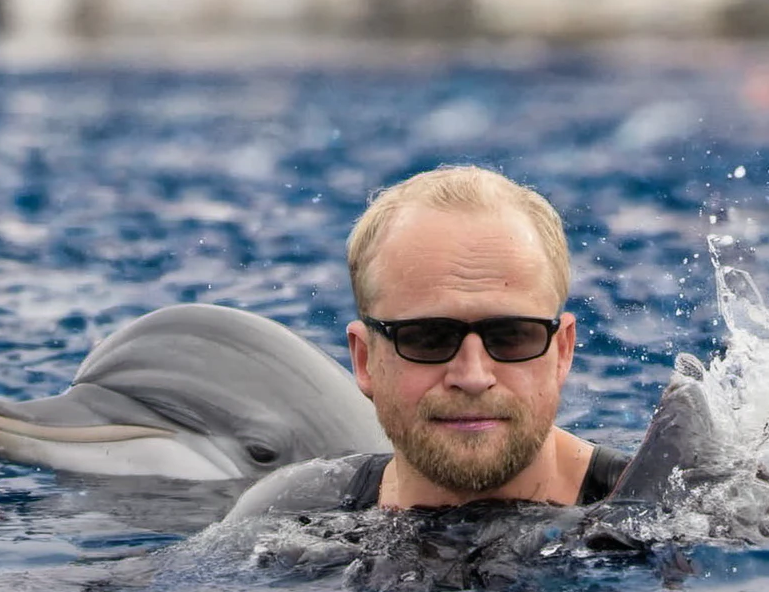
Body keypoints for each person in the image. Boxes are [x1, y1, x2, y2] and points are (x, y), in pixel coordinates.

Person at [224, 165, 630, 522]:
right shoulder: (293, 512)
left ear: (562, 351)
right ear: (365, 360)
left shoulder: (662, 511)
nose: (472, 376)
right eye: (429, 339)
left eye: (511, 336)